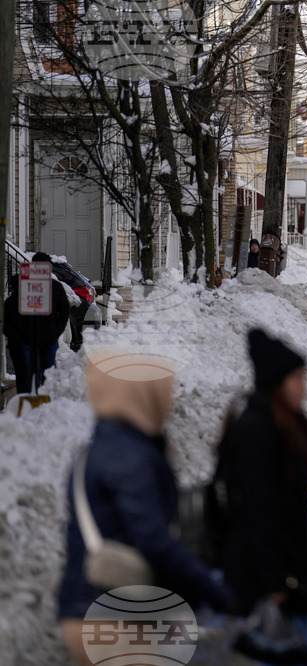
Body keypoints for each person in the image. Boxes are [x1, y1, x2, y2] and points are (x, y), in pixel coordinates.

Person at [58, 355, 234, 664]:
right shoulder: (128, 456)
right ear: (140, 395)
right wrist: (218, 593)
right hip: (118, 619)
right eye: (162, 389)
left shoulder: (101, 447)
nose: (169, 398)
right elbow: (153, 541)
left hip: (92, 607)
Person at [218, 329, 307, 662]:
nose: (304, 390)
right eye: (298, 380)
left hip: (287, 576)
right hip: (272, 582)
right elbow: (257, 512)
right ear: (277, 383)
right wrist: (273, 584)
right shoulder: (257, 431)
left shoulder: (280, 424)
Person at [2, 251, 71, 393]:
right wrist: (19, 334)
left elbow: (64, 310)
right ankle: (31, 402)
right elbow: (7, 314)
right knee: (29, 377)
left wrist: (56, 331)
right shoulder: (23, 286)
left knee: (48, 375)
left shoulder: (55, 287)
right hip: (26, 341)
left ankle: (44, 404)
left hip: (48, 340)